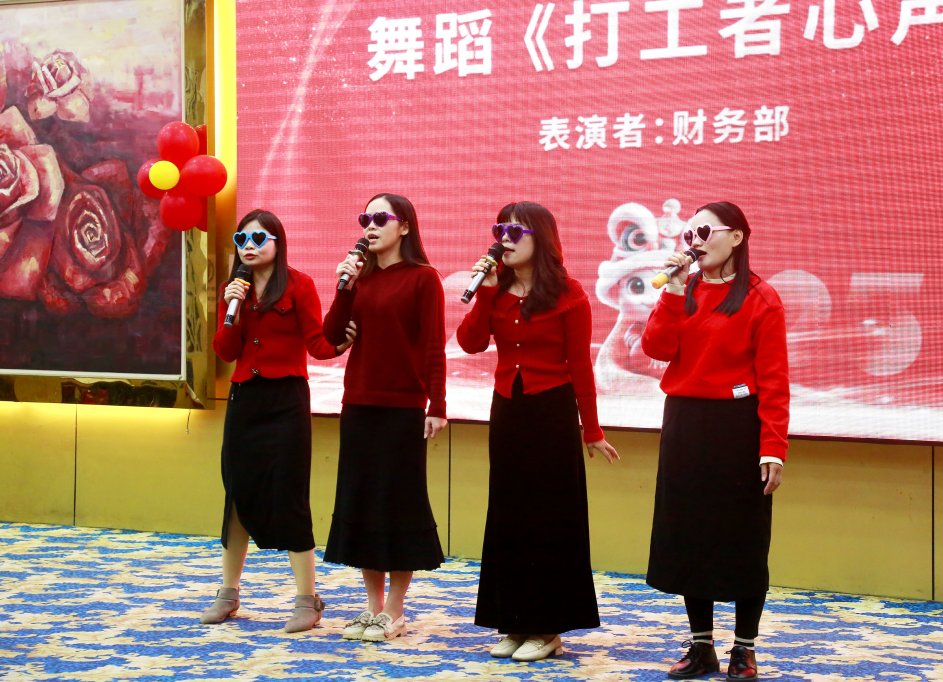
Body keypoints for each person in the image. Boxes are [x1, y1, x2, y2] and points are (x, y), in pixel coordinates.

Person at [456, 201, 619, 662]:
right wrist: (486, 292)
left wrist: (592, 429)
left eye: (515, 232)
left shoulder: (568, 293)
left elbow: (581, 366)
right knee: (509, 515)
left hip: (551, 413)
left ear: (541, 238)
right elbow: (470, 343)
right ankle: (512, 622)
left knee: (549, 518)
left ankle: (547, 628)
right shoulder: (496, 288)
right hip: (508, 409)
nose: (503, 240)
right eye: (500, 231)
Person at [640, 201, 789, 680]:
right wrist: (672, 293)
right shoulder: (683, 289)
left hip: (738, 426)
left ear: (737, 237)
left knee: (743, 540)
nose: (694, 242)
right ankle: (701, 645)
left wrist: (773, 447)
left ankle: (744, 649)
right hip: (685, 423)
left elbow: (774, 381)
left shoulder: (761, 298)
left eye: (704, 232)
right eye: (689, 235)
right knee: (690, 536)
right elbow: (656, 348)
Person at [202, 208, 354, 632]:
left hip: (286, 401)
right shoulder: (234, 290)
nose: (248, 247)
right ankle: (228, 593)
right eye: (241, 240)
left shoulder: (300, 284)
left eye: (258, 239)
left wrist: (341, 345)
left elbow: (317, 344)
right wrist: (231, 307)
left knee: (289, 496)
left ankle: (307, 600)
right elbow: (225, 350)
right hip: (244, 401)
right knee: (238, 494)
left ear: (277, 242)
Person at [322, 193, 447, 643]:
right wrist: (344, 287)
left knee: (397, 506)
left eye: (380, 218)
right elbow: (331, 335)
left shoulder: (423, 278)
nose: (370, 227)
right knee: (363, 504)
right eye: (365, 219)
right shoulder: (361, 278)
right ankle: (372, 607)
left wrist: (438, 405)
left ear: (405, 226)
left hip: (402, 408)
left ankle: (395, 610)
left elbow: (433, 345)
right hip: (358, 404)